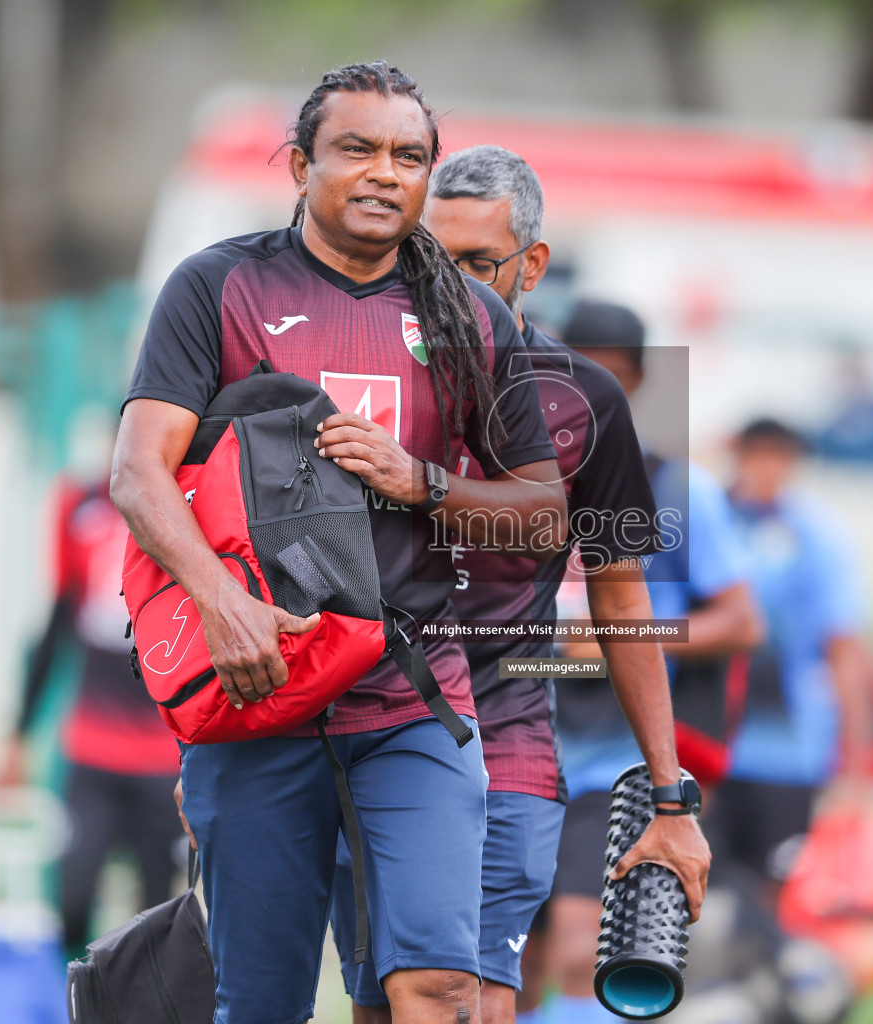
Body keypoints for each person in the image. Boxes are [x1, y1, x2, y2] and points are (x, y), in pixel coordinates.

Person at [110, 62, 568, 1024]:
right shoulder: (219, 286)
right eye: (355, 149)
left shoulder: (470, 317)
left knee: (438, 984)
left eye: (409, 156)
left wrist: (423, 482)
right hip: (259, 687)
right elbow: (139, 471)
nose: (383, 173)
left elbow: (544, 511)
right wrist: (219, 600)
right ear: (299, 164)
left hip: (411, 698)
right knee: (265, 1004)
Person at [329, 144, 711, 1024]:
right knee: (385, 1005)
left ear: (532, 266)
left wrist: (668, 792)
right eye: (430, 257)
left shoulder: (587, 400)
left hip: (507, 739)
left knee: (474, 1002)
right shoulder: (362, 380)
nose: (448, 286)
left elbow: (622, 595)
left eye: (476, 264)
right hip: (364, 733)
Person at [547, 299, 763, 1024]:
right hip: (514, 739)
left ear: (636, 382)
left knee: (584, 947)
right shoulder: (510, 476)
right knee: (500, 960)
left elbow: (741, 620)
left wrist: (626, 631)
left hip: (612, 757)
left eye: (607, 380)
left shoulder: (675, 487)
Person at [0, 476, 183, 957]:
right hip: (92, 750)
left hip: (163, 757)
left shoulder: (189, 506)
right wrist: (17, 738)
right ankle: (73, 998)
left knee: (157, 915)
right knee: (73, 899)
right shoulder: (80, 508)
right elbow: (57, 623)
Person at [716, 418, 873, 894]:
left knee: (779, 885)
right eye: (756, 453)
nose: (767, 467)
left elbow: (844, 647)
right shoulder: (708, 522)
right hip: (706, 742)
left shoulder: (818, 537)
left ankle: (768, 967)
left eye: (779, 455)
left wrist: (856, 764)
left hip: (787, 748)